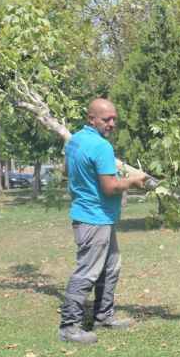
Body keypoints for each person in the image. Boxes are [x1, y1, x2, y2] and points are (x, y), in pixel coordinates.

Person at [58, 98, 149, 344]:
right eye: (106, 119)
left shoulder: (74, 140)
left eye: (114, 118)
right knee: (87, 272)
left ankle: (103, 316)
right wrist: (133, 181)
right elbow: (109, 188)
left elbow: (66, 171)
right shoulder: (101, 147)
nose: (111, 123)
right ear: (91, 119)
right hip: (93, 218)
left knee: (110, 268)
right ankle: (69, 326)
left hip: (94, 216)